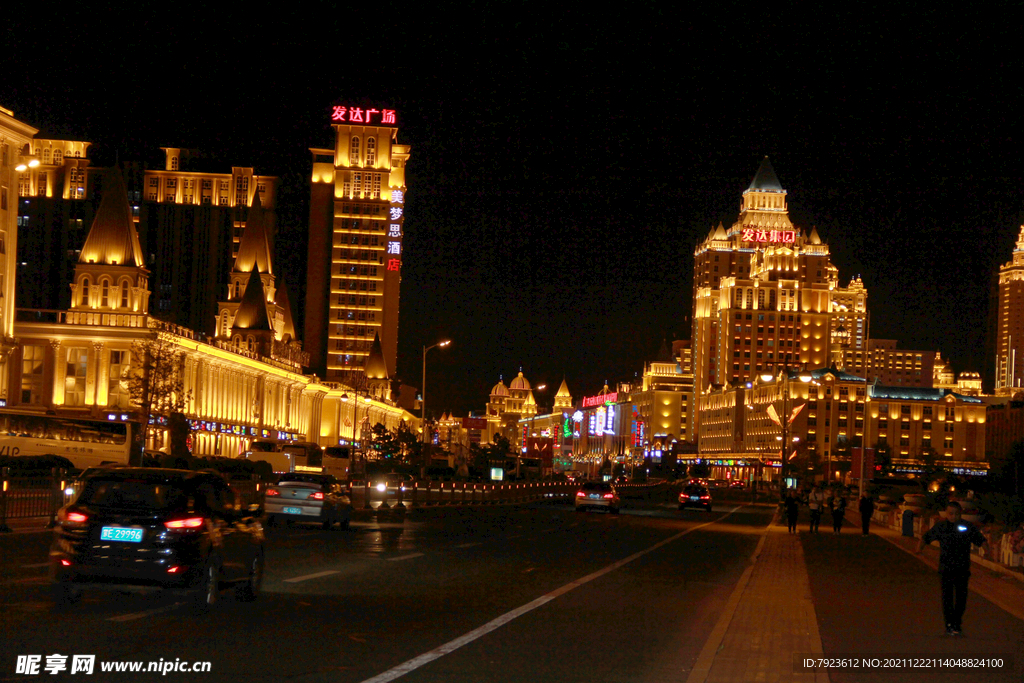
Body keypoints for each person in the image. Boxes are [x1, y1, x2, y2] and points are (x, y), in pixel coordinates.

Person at [916, 502, 988, 636]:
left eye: (956, 513)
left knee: (961, 598)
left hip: (962, 568)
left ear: (960, 513)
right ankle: (949, 624)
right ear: (946, 513)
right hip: (946, 568)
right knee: (947, 597)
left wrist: (987, 551)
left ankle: (957, 623)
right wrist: (919, 549)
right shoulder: (941, 526)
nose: (953, 516)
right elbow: (926, 537)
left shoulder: (967, 526)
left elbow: (980, 539)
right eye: (951, 513)